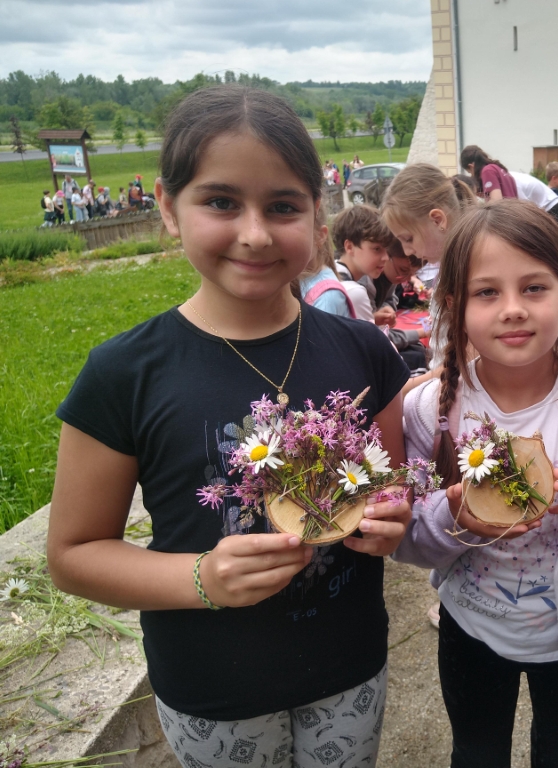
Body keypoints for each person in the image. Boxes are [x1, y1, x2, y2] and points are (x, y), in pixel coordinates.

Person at [46, 85, 412, 768]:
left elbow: (389, 491)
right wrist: (201, 578)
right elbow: (73, 554)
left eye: (283, 206)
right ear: (167, 208)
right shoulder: (124, 373)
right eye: (220, 202)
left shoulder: (364, 351)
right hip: (211, 689)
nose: (255, 233)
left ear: (318, 217)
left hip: (350, 669)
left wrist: (392, 518)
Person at [395, 199, 558, 768]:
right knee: (476, 752)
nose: (513, 309)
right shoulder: (431, 411)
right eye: (487, 292)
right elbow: (406, 540)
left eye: (534, 288)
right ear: (454, 307)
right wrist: (454, 514)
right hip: (470, 627)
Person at [380, 163, 477, 377]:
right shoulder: (452, 267)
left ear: (437, 220)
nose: (408, 250)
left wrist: (410, 389)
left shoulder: (469, 272)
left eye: (408, 238)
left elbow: (470, 357)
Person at [370, 239, 430, 374]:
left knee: (419, 350)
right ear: (386, 256)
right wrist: (422, 332)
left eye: (411, 274)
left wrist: (388, 309)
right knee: (417, 358)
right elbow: (378, 338)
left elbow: (390, 299)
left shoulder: (390, 277)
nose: (406, 279)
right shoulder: (362, 287)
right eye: (403, 270)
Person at [332, 204, 392, 323]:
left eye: (387, 249)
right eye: (377, 249)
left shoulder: (330, 273)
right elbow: (368, 336)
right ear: (349, 247)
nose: (386, 257)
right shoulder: (353, 292)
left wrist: (373, 319)